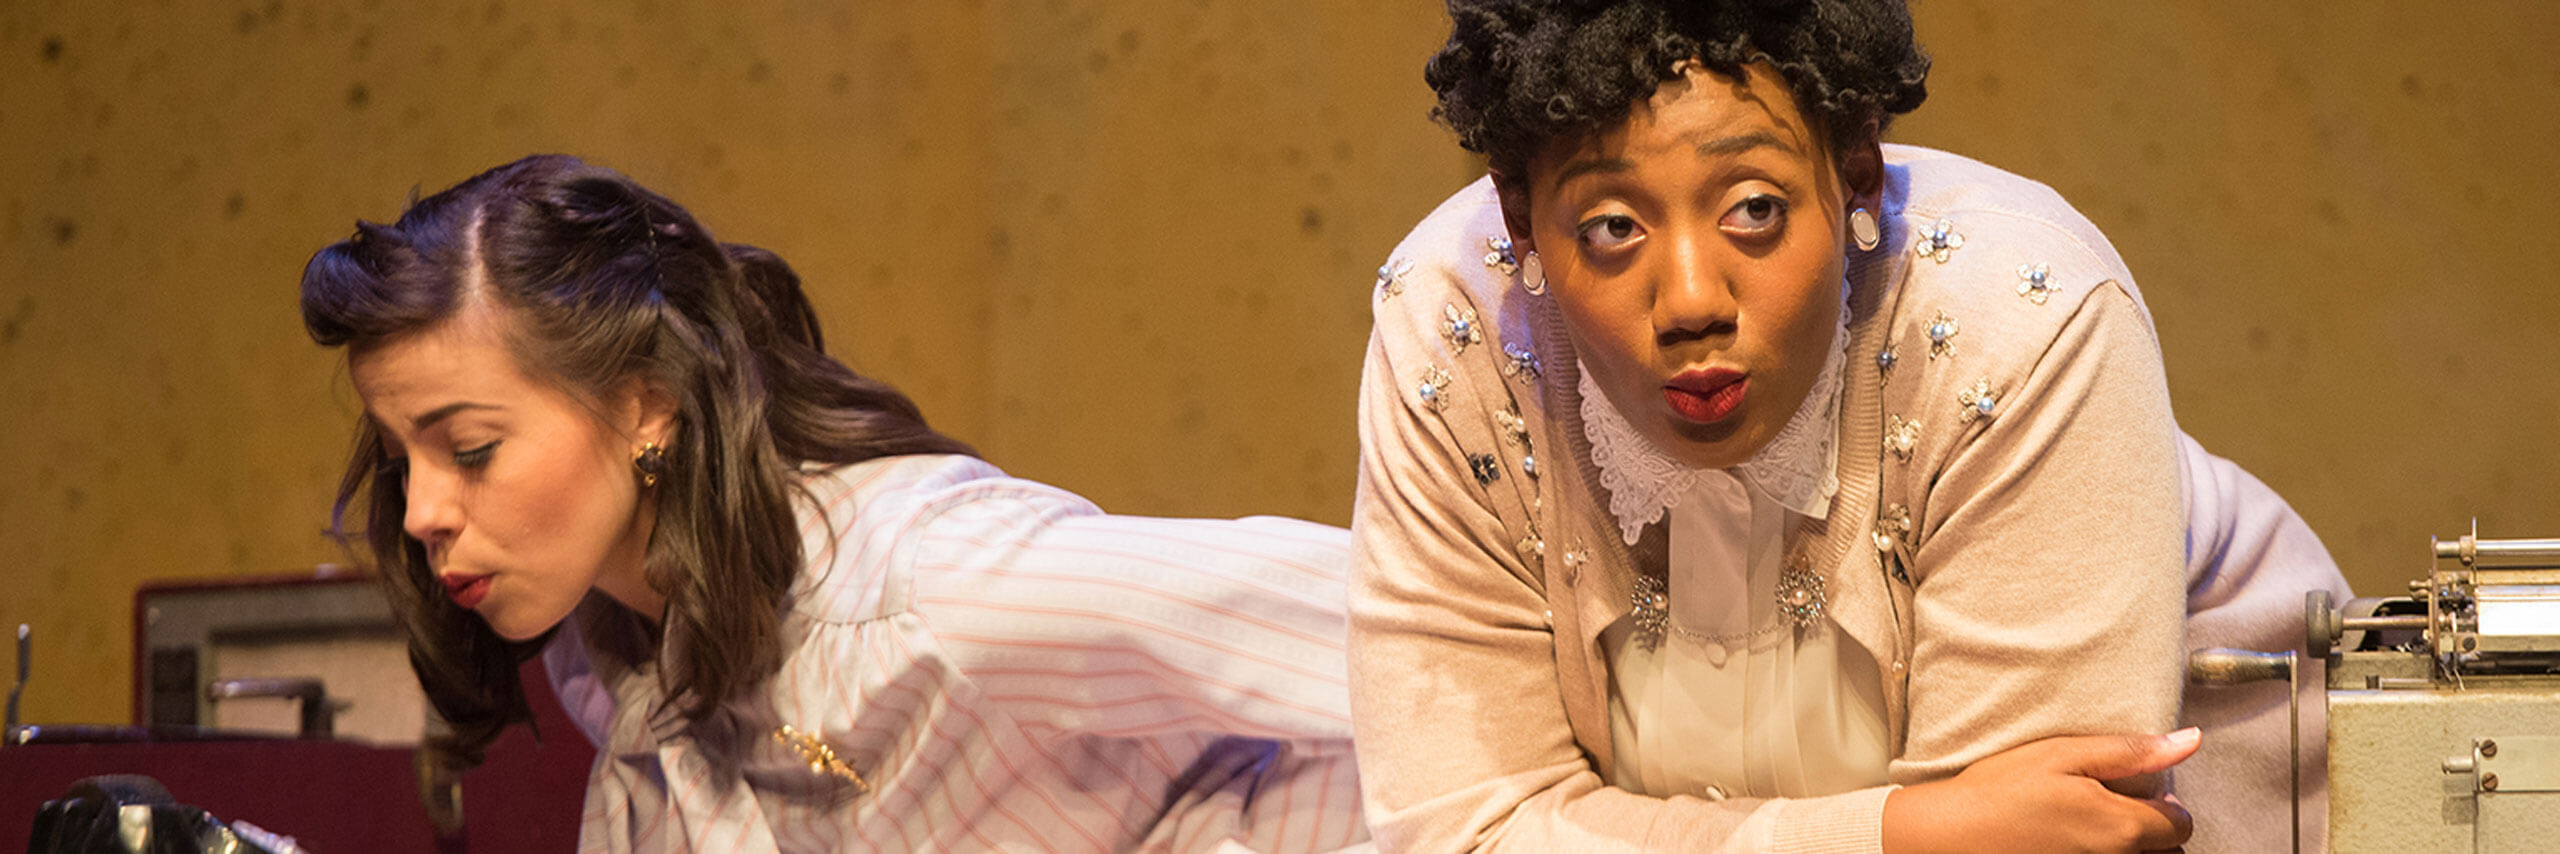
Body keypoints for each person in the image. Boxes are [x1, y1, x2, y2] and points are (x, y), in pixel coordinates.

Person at [1344, 2, 2350, 851]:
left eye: (1753, 209)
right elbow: (1460, 828)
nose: (1690, 299)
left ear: (1858, 171)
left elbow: (2046, 840)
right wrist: (1901, 829)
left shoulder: (2025, 316)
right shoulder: (1456, 326)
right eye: (1612, 228)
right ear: (1518, 220)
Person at [298, 154, 1370, 852]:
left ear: (645, 404)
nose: (421, 511)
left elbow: (1445, 631)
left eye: (471, 449)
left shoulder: (934, 583)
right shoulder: (613, 657)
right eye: (402, 461)